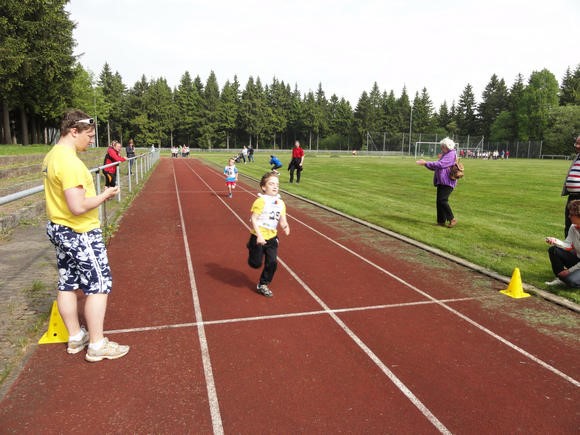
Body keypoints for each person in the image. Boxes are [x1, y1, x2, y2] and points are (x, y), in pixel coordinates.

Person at [42, 109, 130, 362]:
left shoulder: (52, 156)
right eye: (89, 135)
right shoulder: (69, 163)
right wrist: (105, 195)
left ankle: (75, 336)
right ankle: (97, 344)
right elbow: (78, 206)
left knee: (67, 282)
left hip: (59, 227)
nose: (91, 140)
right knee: (99, 284)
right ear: (74, 131)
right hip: (79, 231)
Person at [247, 172, 291, 297]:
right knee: (255, 264)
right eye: (271, 184)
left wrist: (285, 226)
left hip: (272, 238)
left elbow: (282, 219)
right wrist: (259, 236)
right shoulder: (260, 201)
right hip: (258, 237)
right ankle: (251, 246)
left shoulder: (280, 203)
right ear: (264, 187)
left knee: (272, 262)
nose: (275, 186)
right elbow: (254, 219)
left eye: (277, 184)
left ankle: (263, 284)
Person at [416, 137, 458, 228]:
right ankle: (441, 221)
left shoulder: (451, 154)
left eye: (443, 147)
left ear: (448, 146)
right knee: (439, 201)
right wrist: (425, 164)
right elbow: (436, 167)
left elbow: (440, 164)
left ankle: (452, 219)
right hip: (441, 181)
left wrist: (426, 163)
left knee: (443, 200)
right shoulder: (445, 154)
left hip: (447, 182)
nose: (441, 148)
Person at [545, 199, 580, 287]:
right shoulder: (573, 227)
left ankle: (567, 278)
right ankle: (560, 278)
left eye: (572, 215)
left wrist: (569, 271)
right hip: (578, 260)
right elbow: (568, 245)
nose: (569, 216)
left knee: (571, 280)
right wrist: (555, 241)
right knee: (554, 250)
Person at [561, 136, 580, 237]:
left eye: (579, 144)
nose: (576, 146)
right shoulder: (577, 157)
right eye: (576, 143)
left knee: (577, 224)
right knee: (569, 223)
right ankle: (568, 246)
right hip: (572, 196)